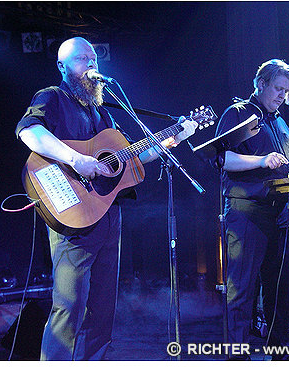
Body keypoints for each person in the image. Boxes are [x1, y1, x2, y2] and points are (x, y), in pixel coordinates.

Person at [15, 37, 197, 360]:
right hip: (74, 216)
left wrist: (175, 137)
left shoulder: (102, 114)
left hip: (108, 215)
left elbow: (130, 158)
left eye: (94, 59)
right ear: (62, 66)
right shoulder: (52, 98)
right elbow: (28, 131)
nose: (91, 65)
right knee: (69, 307)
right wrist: (75, 159)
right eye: (82, 59)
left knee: (102, 310)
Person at [214, 59, 289, 360]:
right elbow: (223, 159)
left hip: (279, 212)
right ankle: (238, 356)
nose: (282, 95)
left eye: (286, 90)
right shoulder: (240, 114)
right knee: (241, 289)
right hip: (247, 212)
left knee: (279, 289)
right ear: (261, 83)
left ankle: (281, 351)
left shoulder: (279, 122)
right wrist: (262, 160)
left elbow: (286, 169)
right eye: (278, 88)